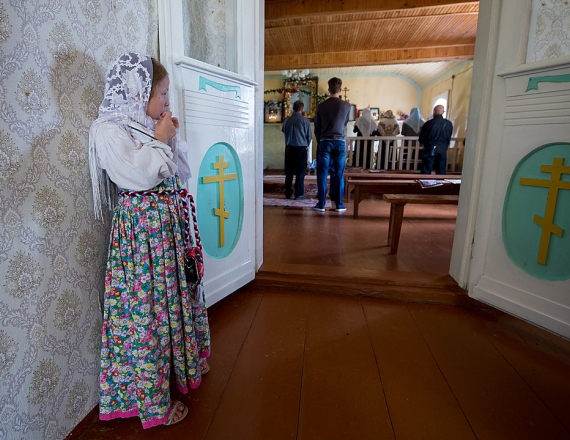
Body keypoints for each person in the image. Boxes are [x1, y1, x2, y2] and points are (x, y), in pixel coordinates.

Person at [88, 53, 211, 429]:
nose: (167, 102)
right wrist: (160, 139)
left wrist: (167, 139)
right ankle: (153, 402)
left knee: (173, 300)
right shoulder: (109, 131)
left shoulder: (147, 125)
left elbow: (178, 171)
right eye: (162, 94)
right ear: (138, 93)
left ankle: (181, 369)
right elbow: (139, 177)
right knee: (148, 314)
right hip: (141, 239)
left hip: (164, 232)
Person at [313, 77, 352, 212]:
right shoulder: (347, 106)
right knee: (339, 174)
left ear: (329, 89)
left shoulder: (321, 106)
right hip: (340, 142)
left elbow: (317, 127)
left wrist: (321, 141)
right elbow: (345, 123)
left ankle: (321, 204)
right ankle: (339, 204)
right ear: (340, 90)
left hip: (325, 141)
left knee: (322, 174)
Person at [282, 100, 312, 199]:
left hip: (289, 148)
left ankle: (288, 193)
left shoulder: (287, 120)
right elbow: (309, 137)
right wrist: (305, 144)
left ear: (293, 108)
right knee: (300, 172)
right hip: (301, 148)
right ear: (302, 109)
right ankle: (299, 193)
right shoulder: (305, 121)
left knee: (289, 172)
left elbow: (284, 131)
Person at [419, 104, 453, 174]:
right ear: (443, 112)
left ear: (434, 111)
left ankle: (425, 181)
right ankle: (440, 181)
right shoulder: (449, 124)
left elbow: (421, 139)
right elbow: (448, 137)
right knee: (441, 173)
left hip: (429, 150)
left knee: (426, 172)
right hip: (442, 150)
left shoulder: (428, 124)